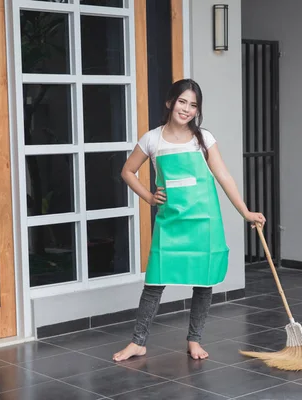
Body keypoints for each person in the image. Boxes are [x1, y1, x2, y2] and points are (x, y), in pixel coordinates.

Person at [113, 79, 266, 362]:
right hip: (170, 221)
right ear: (170, 102)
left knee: (203, 280)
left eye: (193, 105)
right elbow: (127, 171)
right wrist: (148, 197)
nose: (187, 109)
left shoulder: (203, 139)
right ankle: (138, 342)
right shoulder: (152, 139)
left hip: (203, 219)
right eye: (182, 101)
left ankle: (194, 340)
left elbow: (224, 176)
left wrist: (245, 212)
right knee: (155, 281)